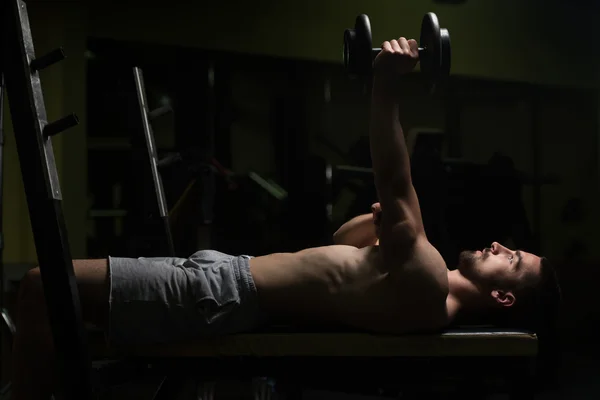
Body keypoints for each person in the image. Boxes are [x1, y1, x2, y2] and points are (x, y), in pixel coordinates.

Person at [11, 37, 561, 400]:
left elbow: (395, 180)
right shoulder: (418, 279)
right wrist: (384, 226)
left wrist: (386, 87)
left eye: (513, 260)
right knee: (67, 321)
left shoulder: (427, 283)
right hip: (223, 280)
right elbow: (341, 241)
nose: (499, 245)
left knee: (41, 289)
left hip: (221, 290)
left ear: (504, 299)